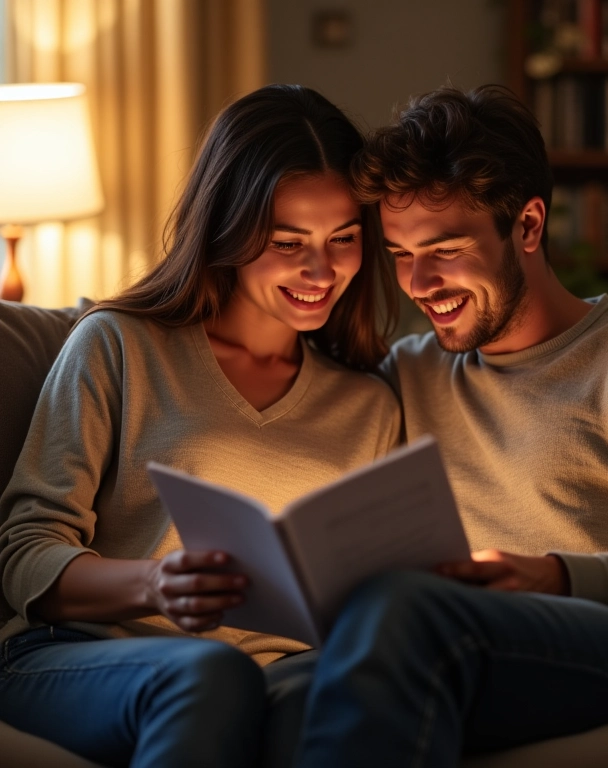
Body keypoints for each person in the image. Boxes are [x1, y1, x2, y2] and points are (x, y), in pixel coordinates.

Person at [291, 84, 608, 767]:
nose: (419, 283)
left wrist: (559, 577)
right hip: (455, 639)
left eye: (445, 249)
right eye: (399, 254)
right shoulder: (410, 373)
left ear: (529, 226)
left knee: (404, 611)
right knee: (283, 685)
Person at [0, 84, 400, 768]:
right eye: (287, 241)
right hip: (89, 655)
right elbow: (25, 554)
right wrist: (155, 583)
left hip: (284, 673)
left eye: (344, 238)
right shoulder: (119, 345)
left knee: (345, 695)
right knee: (212, 675)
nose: (321, 269)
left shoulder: (369, 405)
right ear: (227, 232)